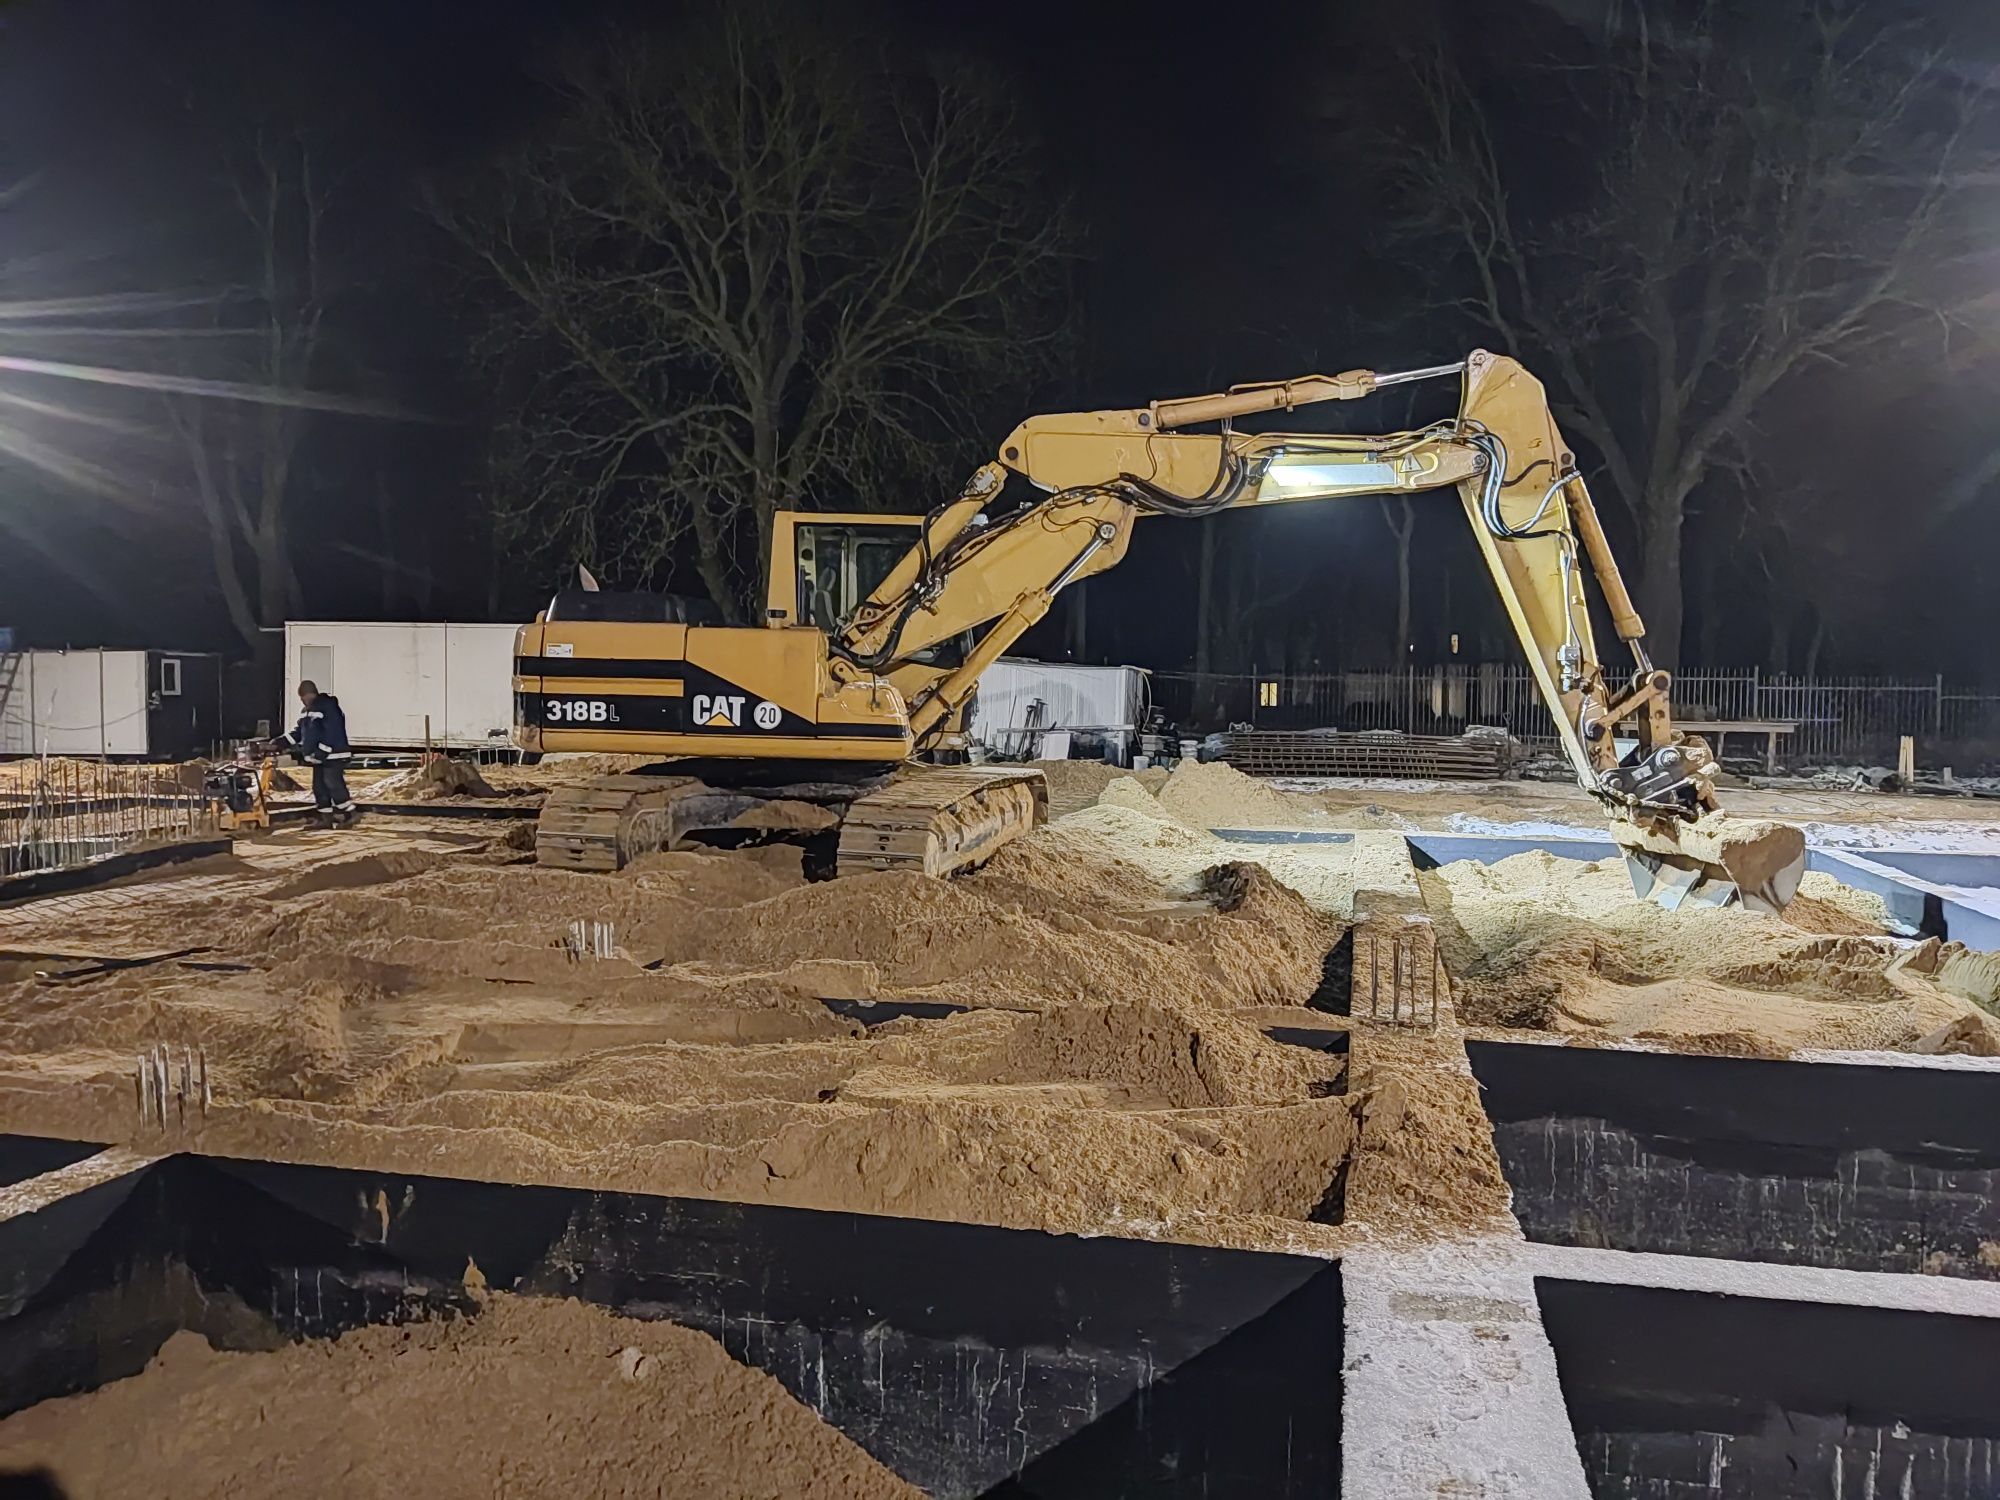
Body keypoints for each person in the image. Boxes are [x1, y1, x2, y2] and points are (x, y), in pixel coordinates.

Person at [283, 680, 356, 825]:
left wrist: (322, 751)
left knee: (332, 783)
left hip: (334, 755)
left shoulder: (327, 706)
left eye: (303, 698)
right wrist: (280, 742)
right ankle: (325, 817)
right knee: (319, 786)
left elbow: (332, 731)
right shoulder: (307, 713)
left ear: (306, 695)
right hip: (319, 758)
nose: (303, 701)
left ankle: (350, 814)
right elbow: (299, 733)